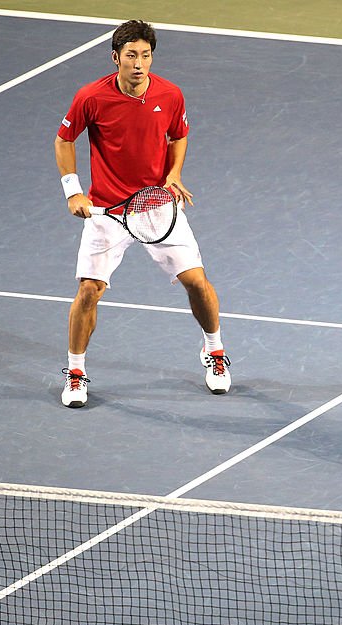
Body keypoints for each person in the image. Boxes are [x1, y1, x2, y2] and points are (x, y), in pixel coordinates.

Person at [55, 19, 230, 408]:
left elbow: (179, 134)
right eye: (131, 55)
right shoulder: (91, 97)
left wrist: (173, 173)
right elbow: (64, 139)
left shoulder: (170, 94)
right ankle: (76, 371)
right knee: (88, 292)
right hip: (106, 210)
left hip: (156, 206)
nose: (139, 63)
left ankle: (214, 352)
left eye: (146, 55)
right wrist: (73, 192)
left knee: (197, 283)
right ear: (115, 57)